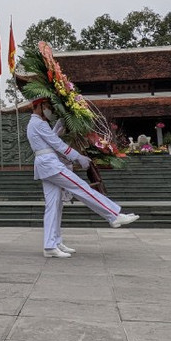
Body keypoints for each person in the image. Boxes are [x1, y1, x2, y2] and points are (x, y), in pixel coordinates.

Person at [28, 98, 138, 259]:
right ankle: (113, 214)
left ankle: (52, 244)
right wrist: (77, 157)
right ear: (38, 107)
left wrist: (60, 124)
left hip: (45, 165)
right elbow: (56, 144)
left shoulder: (35, 124)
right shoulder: (39, 124)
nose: (49, 109)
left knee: (54, 205)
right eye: (47, 107)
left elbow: (50, 139)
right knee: (81, 188)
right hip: (50, 164)